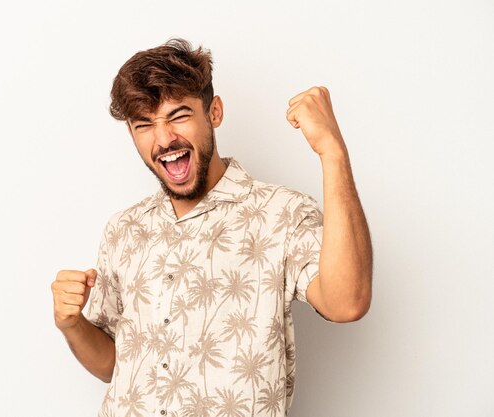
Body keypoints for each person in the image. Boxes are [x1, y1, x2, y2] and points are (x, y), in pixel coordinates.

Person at [50, 38, 373, 417]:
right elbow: (113, 364)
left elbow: (347, 302)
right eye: (144, 125)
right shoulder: (124, 229)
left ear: (214, 112)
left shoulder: (281, 212)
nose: (164, 138)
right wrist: (71, 324)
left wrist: (332, 153)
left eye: (179, 115)